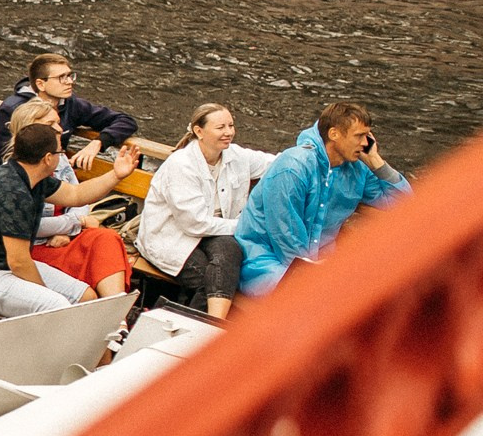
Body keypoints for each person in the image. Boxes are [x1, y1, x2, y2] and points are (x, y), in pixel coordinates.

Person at [0, 122, 140, 318]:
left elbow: (76, 194)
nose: (61, 156)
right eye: (60, 152)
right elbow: (18, 261)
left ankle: (95, 349)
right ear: (47, 158)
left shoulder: (34, 178)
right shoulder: (12, 191)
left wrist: (116, 175)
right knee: (56, 306)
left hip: (2, 267)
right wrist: (44, 292)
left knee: (86, 298)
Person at [235, 102, 408, 295]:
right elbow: (285, 234)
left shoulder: (358, 170)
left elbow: (405, 206)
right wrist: (315, 275)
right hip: (266, 260)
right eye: (359, 136)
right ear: (334, 134)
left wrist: (375, 161)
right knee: (314, 296)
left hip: (319, 263)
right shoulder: (294, 166)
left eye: (367, 136)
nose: (365, 143)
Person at [137, 103, 274, 319]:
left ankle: (209, 325)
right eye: (221, 127)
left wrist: (307, 154)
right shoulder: (182, 165)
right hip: (174, 237)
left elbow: (276, 164)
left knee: (230, 251)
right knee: (210, 280)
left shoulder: (235, 155)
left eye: (231, 125)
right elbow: (195, 224)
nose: (229, 132)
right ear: (199, 131)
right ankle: (190, 333)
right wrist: (245, 225)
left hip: (214, 233)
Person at [8, 97, 133, 300]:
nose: (60, 129)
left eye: (58, 122)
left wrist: (69, 229)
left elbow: (77, 197)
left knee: (106, 238)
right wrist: (74, 224)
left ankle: (116, 311)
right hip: (31, 247)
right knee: (88, 289)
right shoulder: (17, 173)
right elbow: (28, 226)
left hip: (65, 236)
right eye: (50, 124)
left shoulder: (59, 160)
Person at [0, 54, 139, 172]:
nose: (69, 82)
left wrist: (98, 143)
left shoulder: (71, 105)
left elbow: (125, 121)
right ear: (41, 84)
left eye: (70, 76)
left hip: (53, 174)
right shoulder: (13, 109)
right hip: (9, 175)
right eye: (61, 78)